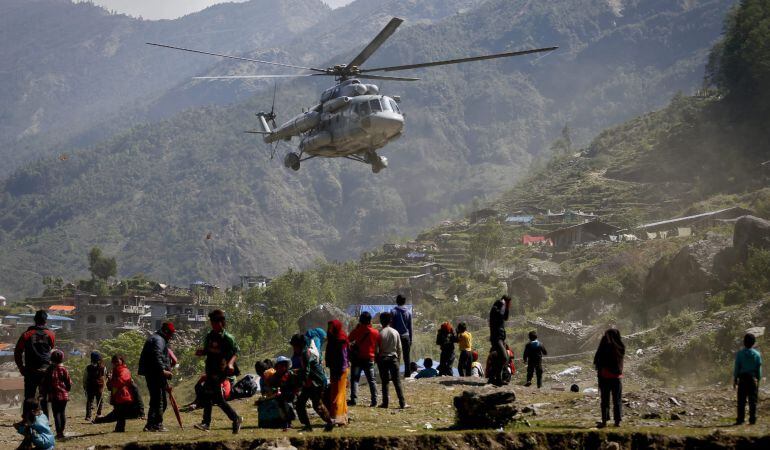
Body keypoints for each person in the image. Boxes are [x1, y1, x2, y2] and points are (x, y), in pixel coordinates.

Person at [194, 310, 243, 433]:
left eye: (215, 322)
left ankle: (207, 423)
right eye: (212, 322)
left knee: (208, 394)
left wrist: (231, 364)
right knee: (216, 398)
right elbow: (207, 350)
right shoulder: (210, 336)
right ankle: (235, 418)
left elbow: (236, 352)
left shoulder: (227, 337)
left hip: (221, 370)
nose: (213, 325)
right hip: (210, 368)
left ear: (221, 323)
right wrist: (202, 352)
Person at [15, 310, 56, 418]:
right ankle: (45, 419)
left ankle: (27, 418)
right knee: (44, 396)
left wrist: (21, 367)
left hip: (30, 370)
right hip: (45, 371)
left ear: (34, 320)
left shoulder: (26, 335)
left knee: (29, 396)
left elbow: (17, 352)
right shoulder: (51, 334)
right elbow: (51, 348)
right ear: (45, 321)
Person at [290, 333, 333, 432]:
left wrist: (299, 385)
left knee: (316, 404)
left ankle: (329, 422)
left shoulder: (305, 354)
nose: (293, 348)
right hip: (311, 381)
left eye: (294, 346)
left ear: (299, 345)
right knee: (300, 404)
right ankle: (308, 426)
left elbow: (306, 371)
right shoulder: (303, 353)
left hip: (316, 382)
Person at [138, 321, 175, 432]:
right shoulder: (159, 340)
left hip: (153, 373)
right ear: (166, 332)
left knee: (156, 400)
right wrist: (163, 371)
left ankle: (150, 425)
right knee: (159, 400)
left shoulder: (156, 338)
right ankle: (157, 425)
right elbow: (157, 356)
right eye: (171, 334)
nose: (171, 337)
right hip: (156, 374)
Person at [593, 328, 625, 428]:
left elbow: (596, 360)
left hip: (605, 378)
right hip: (617, 378)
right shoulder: (621, 347)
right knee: (617, 400)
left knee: (605, 400)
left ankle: (604, 421)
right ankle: (617, 421)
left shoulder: (604, 345)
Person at [347, 311, 379, 407]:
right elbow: (378, 346)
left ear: (360, 320)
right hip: (369, 359)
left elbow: (348, 340)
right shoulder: (375, 332)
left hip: (357, 359)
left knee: (355, 380)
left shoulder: (357, 331)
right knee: (371, 380)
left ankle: (354, 400)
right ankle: (374, 401)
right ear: (370, 321)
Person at [376, 312, 408, 409]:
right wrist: (398, 360)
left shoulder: (380, 333)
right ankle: (402, 403)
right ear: (390, 321)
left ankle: (385, 403)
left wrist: (377, 360)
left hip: (383, 359)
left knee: (385, 382)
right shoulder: (395, 332)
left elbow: (377, 349)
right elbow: (399, 348)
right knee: (397, 382)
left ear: (381, 321)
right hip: (393, 359)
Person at [257, 356, 296, 430]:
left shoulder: (290, 374)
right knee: (280, 405)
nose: (281, 368)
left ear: (286, 366)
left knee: (284, 404)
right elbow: (272, 385)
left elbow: (294, 386)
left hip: (289, 394)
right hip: (280, 395)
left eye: (283, 366)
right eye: (279, 366)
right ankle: (284, 423)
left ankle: (288, 422)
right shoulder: (275, 376)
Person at [41, 349, 71, 439]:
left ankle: (59, 433)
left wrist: (44, 393)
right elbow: (68, 382)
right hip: (64, 395)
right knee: (62, 413)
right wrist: (67, 390)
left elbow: (45, 383)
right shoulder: (64, 369)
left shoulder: (49, 370)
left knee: (56, 414)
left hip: (54, 396)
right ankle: (61, 431)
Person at [325, 319, 349, 426]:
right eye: (329, 327)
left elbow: (344, 357)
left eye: (331, 327)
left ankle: (338, 418)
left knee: (338, 394)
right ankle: (341, 416)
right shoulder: (332, 338)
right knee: (335, 393)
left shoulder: (341, 340)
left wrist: (341, 370)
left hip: (340, 370)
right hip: (334, 369)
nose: (329, 330)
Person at [734, 332, 762, 425]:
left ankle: (740, 419)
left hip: (742, 379)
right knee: (752, 400)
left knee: (741, 400)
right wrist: (758, 379)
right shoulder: (757, 354)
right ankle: (752, 419)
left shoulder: (740, 354)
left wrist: (735, 379)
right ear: (753, 343)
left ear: (744, 342)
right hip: (752, 379)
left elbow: (737, 367)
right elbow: (758, 368)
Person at [106, 355, 136, 432]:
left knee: (121, 413)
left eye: (117, 361)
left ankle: (120, 428)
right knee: (119, 412)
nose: (116, 363)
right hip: (117, 394)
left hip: (123, 394)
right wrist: (109, 379)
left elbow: (121, 381)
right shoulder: (114, 371)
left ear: (121, 361)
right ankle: (119, 428)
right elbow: (110, 386)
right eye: (114, 361)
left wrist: (112, 381)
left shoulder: (124, 370)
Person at [488, 295, 512, 386]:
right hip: (496, 338)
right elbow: (500, 315)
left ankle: (494, 378)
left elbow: (505, 317)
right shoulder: (496, 308)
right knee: (504, 357)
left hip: (500, 338)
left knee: (497, 357)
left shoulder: (501, 309)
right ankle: (497, 377)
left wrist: (506, 308)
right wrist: (503, 305)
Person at [391, 295, 413, 378]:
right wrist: (411, 339)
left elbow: (392, 326)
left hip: (396, 337)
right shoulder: (408, 312)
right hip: (406, 337)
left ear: (397, 301)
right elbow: (410, 327)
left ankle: (395, 374)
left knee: (395, 356)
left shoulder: (393, 311)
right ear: (404, 301)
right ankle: (407, 374)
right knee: (406, 356)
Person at [84, 351, 106, 421]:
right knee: (99, 400)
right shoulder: (103, 368)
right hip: (99, 386)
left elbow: (85, 378)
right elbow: (104, 375)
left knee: (89, 401)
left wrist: (84, 386)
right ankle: (99, 414)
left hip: (90, 387)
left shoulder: (88, 368)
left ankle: (88, 416)